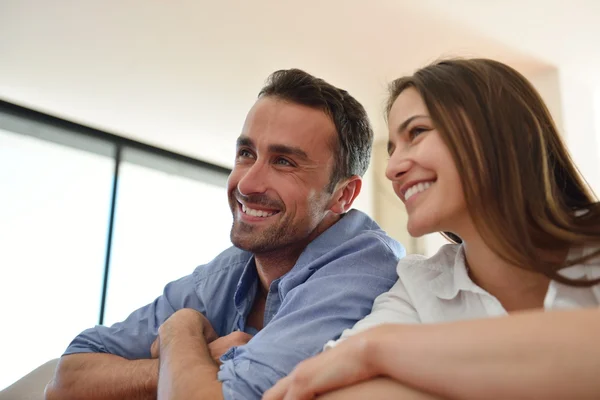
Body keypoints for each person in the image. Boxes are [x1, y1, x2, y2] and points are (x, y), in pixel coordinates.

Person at [44, 69, 405, 400]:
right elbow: (66, 380)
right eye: (246, 153)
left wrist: (179, 332)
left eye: (283, 162)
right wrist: (179, 366)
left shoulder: (364, 267)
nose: (246, 183)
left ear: (342, 195)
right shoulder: (230, 269)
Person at [263, 58, 600, 400]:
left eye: (417, 133)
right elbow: (324, 387)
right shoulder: (419, 284)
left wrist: (374, 350)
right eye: (392, 149)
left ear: (509, 135)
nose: (392, 168)